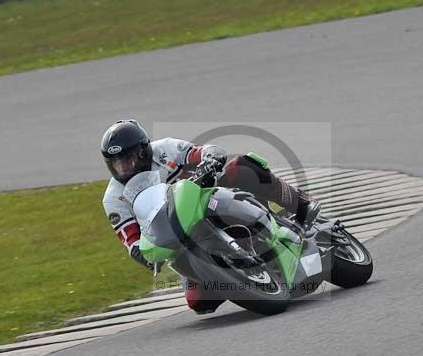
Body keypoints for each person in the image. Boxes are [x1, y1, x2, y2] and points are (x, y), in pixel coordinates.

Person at [101, 119, 320, 314]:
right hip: (180, 236)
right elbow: (131, 241)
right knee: (200, 303)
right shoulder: (113, 198)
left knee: (241, 167)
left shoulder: (165, 149)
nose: (123, 168)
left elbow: (202, 151)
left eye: (128, 159)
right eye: (116, 163)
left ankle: (300, 202)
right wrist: (147, 255)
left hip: (209, 198)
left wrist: (210, 158)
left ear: (143, 151)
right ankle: (243, 275)